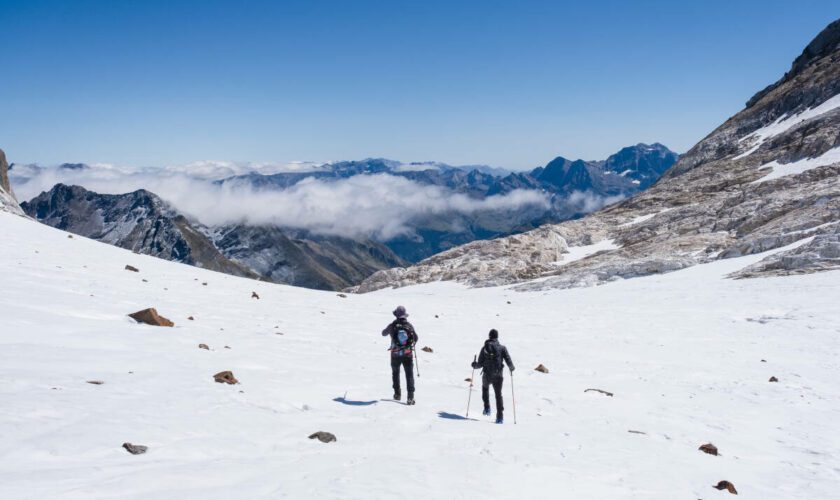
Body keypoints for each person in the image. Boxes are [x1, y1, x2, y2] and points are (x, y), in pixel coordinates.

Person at [471, 329, 514, 423]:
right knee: (498, 395)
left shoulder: (485, 347)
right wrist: (511, 368)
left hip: (487, 374)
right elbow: (508, 360)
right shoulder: (502, 348)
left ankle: (487, 409)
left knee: (485, 389)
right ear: (497, 337)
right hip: (498, 375)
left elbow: (480, 363)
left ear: (489, 336)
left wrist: (474, 365)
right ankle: (500, 418)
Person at [382, 305, 418, 405]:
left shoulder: (393, 325)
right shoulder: (409, 325)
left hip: (395, 354)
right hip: (408, 354)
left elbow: (383, 333)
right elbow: (416, 338)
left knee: (396, 373)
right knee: (409, 375)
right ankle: (410, 397)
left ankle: (397, 394)